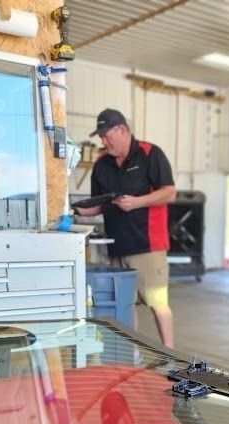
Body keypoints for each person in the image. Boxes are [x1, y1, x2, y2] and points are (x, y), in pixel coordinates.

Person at [76, 109, 177, 348]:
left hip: (147, 246)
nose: (102, 141)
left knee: (158, 303)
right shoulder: (101, 164)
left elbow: (170, 193)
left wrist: (136, 202)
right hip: (116, 248)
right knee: (125, 305)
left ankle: (172, 357)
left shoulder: (150, 154)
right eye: (100, 137)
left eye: (106, 135)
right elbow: (98, 205)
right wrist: (72, 213)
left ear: (121, 130)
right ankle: (130, 357)